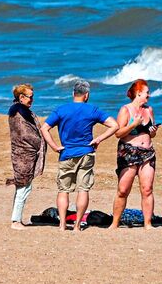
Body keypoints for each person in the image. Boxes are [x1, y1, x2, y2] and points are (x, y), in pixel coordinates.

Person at [42, 79, 117, 232]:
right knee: (83, 189)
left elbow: (44, 128)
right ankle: (76, 226)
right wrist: (98, 139)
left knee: (63, 190)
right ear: (86, 95)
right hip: (86, 153)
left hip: (66, 153)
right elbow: (115, 125)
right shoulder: (92, 110)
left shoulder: (62, 109)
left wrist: (55, 146)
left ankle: (62, 225)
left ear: (73, 94)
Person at [108, 78, 159, 229]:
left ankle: (148, 223)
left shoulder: (149, 110)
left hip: (147, 152)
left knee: (147, 189)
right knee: (123, 190)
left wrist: (153, 131)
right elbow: (118, 133)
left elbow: (152, 134)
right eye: (146, 93)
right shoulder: (126, 110)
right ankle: (115, 223)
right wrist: (134, 124)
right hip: (129, 151)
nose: (148, 96)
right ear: (138, 93)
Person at [6, 84, 47, 229]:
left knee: (22, 187)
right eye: (30, 97)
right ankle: (16, 221)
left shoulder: (22, 111)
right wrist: (41, 141)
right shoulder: (19, 114)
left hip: (24, 154)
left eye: (33, 96)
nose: (32, 100)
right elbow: (25, 134)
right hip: (23, 155)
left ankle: (16, 218)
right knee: (24, 187)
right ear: (21, 97)